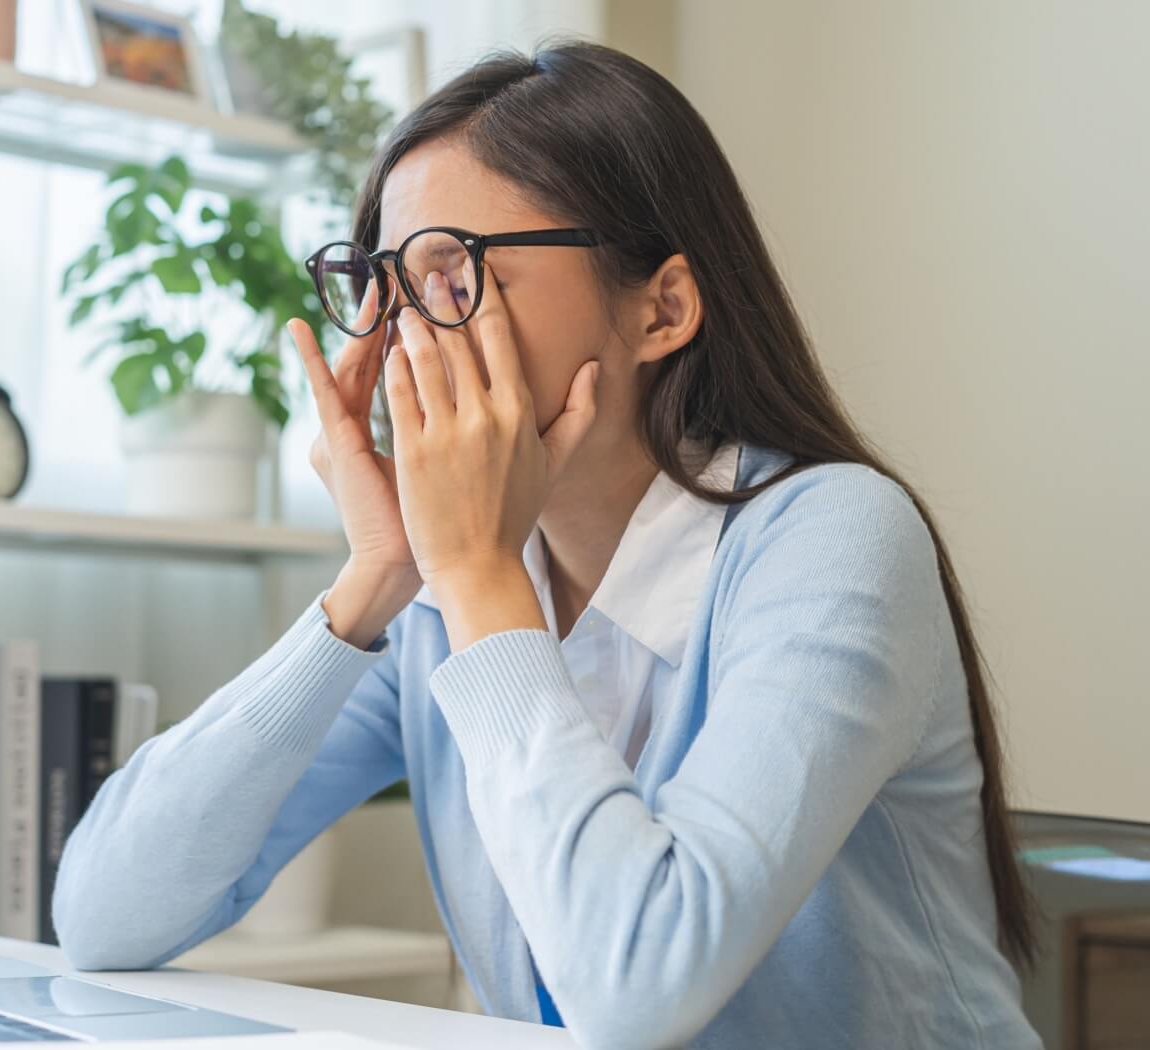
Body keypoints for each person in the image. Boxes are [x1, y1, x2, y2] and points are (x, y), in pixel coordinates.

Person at [54, 41, 1041, 1048]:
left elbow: (636, 994)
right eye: (387, 282)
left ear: (660, 309)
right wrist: (377, 577)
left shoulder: (831, 538)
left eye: (456, 270)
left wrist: (475, 577)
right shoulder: (448, 589)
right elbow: (102, 917)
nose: (403, 334)